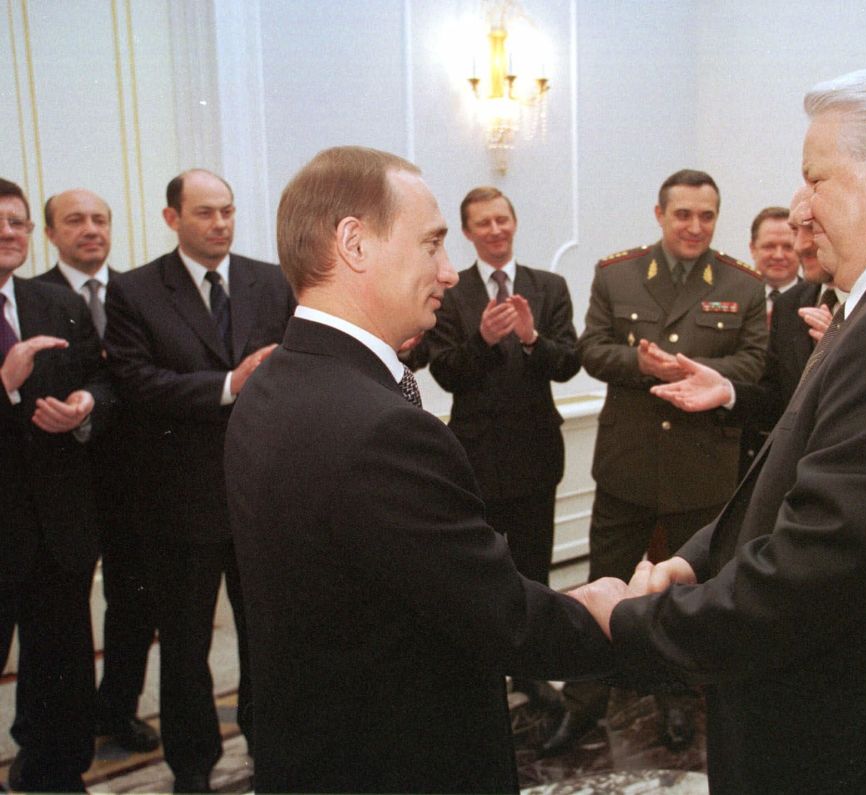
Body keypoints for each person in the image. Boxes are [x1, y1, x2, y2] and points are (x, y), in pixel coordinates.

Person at [574, 65, 866, 793]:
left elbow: (814, 571)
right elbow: (795, 464)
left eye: (815, 178)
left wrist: (638, 624)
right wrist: (697, 561)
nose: (799, 206)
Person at [224, 146, 612, 794]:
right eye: (433, 243)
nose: (449, 272)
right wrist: (612, 613)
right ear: (355, 243)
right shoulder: (382, 428)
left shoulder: (269, 387)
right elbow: (502, 617)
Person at [545, 169, 766, 756]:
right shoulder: (617, 273)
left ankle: (676, 705)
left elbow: (755, 363)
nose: (695, 226)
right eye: (683, 214)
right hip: (629, 464)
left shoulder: (742, 284)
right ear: (660, 214)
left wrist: (698, 371)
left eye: (707, 215)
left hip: (700, 470)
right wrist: (643, 367)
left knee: (683, 597)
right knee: (603, 584)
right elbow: (591, 349)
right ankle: (583, 706)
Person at [104, 169, 295, 793]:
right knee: (185, 650)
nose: (221, 223)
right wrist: (226, 386)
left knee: (267, 636)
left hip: (262, 493)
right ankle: (193, 768)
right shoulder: (135, 291)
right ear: (172, 218)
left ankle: (271, 748)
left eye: (229, 211)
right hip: (178, 501)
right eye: (206, 213)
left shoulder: (269, 281)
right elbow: (136, 383)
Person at [424, 186, 579, 714]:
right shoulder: (450, 292)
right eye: (482, 223)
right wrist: (482, 343)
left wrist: (533, 339)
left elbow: (568, 363)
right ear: (467, 233)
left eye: (502, 219)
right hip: (475, 457)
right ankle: (486, 668)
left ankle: (532, 672)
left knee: (533, 571)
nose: (495, 230)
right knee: (482, 573)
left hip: (536, 452)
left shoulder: (549, 286)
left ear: (514, 223)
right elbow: (444, 372)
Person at [36, 189, 160, 753]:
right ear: (51, 233)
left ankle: (118, 709)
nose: (90, 229)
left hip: (135, 477)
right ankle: (53, 730)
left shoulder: (142, 293)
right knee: (60, 616)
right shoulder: (31, 297)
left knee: (135, 601)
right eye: (75, 220)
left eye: (100, 219)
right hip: (62, 481)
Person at [0, 178, 112, 792]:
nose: (9, 234)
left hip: (57, 526)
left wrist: (84, 404)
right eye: (0, 224)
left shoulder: (54, 302)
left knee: (60, 669)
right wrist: (6, 385)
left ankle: (55, 775)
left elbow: (105, 381)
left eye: (16, 223)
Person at [662, 189, 841, 474]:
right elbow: (778, 399)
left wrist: (844, 347)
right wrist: (727, 390)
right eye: (796, 230)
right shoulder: (790, 304)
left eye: (812, 230)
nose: (799, 246)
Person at [748, 205, 799, 321]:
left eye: (788, 247)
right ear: (752, 249)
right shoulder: (736, 296)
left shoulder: (817, 299)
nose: (778, 256)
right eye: (769, 246)